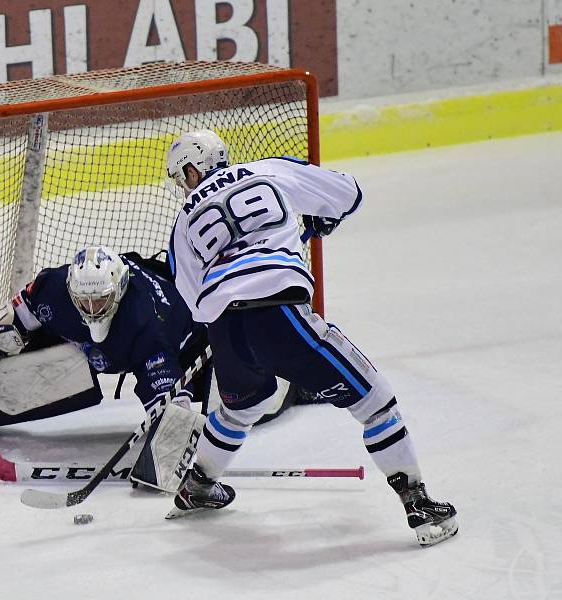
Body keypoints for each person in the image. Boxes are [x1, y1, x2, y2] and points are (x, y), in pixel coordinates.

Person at [162, 130, 458, 547]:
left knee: (240, 410)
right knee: (374, 400)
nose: (184, 184)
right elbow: (349, 193)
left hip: (226, 328)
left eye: (183, 175)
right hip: (279, 313)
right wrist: (320, 217)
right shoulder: (268, 170)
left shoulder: (184, 220)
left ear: (193, 168)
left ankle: (197, 485)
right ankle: (419, 504)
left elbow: (192, 298)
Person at [0, 245, 288, 491]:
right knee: (17, 339)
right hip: (108, 342)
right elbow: (18, 317)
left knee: (214, 407)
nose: (92, 309)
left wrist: (166, 439)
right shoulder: (53, 290)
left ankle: (293, 383)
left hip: (188, 336)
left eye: (101, 301)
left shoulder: (149, 327)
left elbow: (169, 411)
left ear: (120, 288)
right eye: (85, 301)